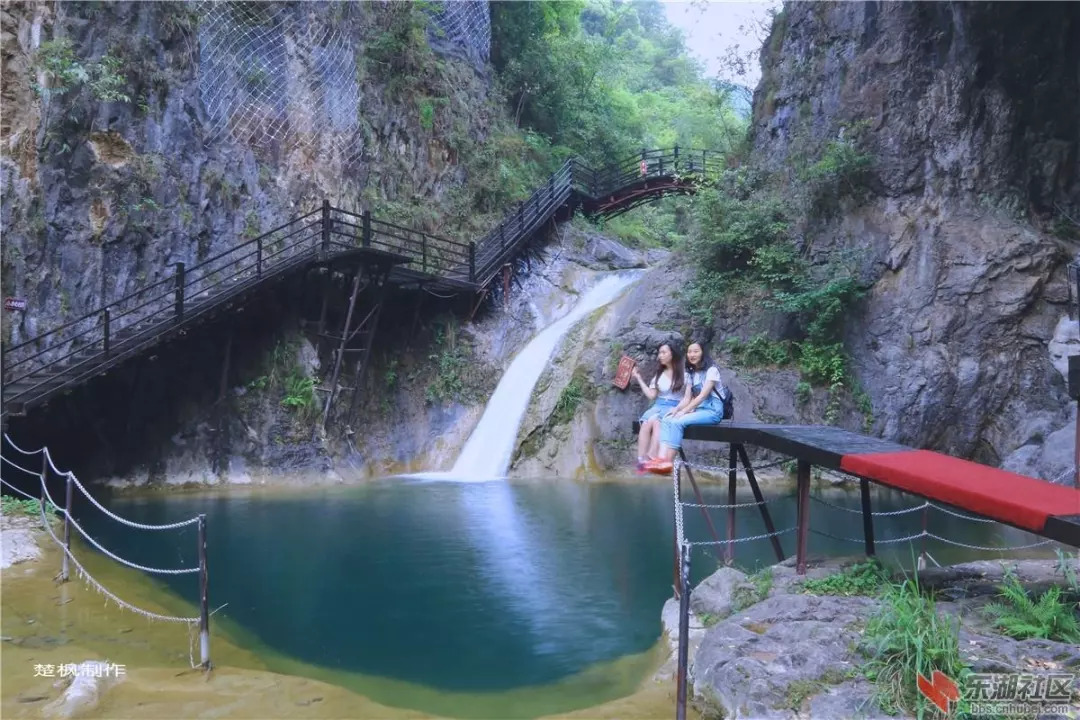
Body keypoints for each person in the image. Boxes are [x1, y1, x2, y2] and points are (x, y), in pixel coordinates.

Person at [645, 341, 729, 474]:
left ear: (703, 353)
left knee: (678, 422)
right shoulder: (691, 374)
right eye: (689, 352)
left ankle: (668, 464)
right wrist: (677, 409)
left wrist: (684, 412)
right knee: (667, 419)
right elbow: (687, 398)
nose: (692, 354)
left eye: (696, 351)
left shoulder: (712, 371)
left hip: (713, 411)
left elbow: (701, 396)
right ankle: (660, 459)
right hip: (699, 411)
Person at [631, 342, 685, 472]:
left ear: (672, 353)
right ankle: (641, 460)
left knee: (656, 422)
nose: (660, 356)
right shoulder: (659, 375)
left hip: (675, 406)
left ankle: (652, 456)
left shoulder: (684, 373)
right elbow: (651, 395)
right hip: (659, 405)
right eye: (659, 353)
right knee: (645, 424)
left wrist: (683, 409)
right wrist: (638, 378)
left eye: (663, 352)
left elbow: (688, 396)